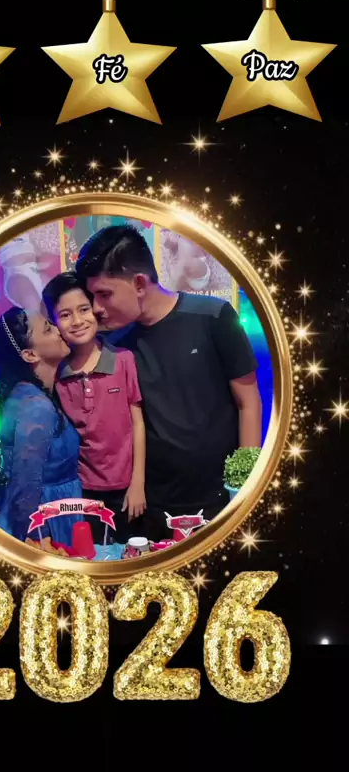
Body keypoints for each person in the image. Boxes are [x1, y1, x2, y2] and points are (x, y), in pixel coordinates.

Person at [75, 224, 262, 542]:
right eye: (92, 296)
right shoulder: (115, 344)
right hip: (151, 504)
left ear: (138, 283)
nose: (96, 308)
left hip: (219, 498)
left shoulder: (213, 316)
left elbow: (249, 402)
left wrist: (245, 486)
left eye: (104, 294)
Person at [42, 271, 146, 545]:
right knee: (90, 555)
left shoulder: (123, 359)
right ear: (54, 322)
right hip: (81, 489)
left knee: (128, 554)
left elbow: (137, 423)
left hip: (126, 488)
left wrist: (138, 483)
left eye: (83, 309)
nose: (77, 321)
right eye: (65, 315)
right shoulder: (58, 373)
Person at [0, 306, 82, 553]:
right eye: (48, 329)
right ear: (30, 355)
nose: (59, 331)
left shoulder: (28, 395)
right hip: (47, 520)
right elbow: (26, 483)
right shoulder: (35, 406)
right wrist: (39, 540)